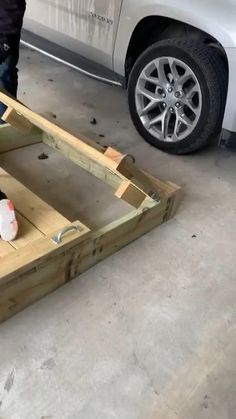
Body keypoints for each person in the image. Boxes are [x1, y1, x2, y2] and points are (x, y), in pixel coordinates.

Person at [0, 0, 26, 241]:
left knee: (4, 74)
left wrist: (5, 40)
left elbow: (12, 5)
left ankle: (4, 128)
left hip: (2, 29)